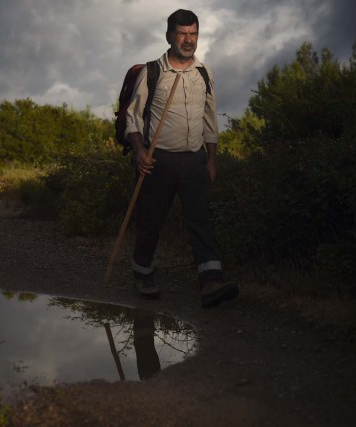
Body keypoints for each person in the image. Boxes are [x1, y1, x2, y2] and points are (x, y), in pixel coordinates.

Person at [124, 9, 238, 307]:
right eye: (182, 34)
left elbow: (210, 119)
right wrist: (138, 152)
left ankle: (211, 282)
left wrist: (211, 159)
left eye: (193, 34)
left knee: (201, 220)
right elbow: (133, 119)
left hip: (194, 161)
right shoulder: (153, 72)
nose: (189, 40)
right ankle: (143, 274)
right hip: (157, 160)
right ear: (169, 36)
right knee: (151, 221)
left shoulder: (203, 72)